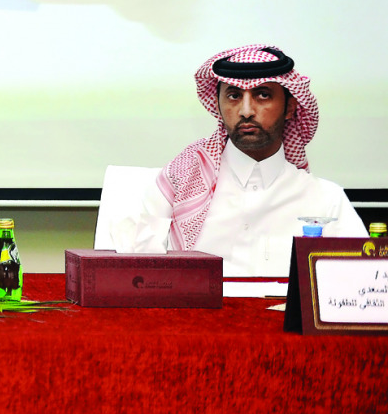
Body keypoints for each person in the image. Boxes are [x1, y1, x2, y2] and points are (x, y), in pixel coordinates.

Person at [113, 44, 366, 276]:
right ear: (219, 105)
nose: (246, 111)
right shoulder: (178, 184)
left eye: (263, 95)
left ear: (290, 108)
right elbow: (134, 275)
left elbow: (361, 288)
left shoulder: (326, 201)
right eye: (234, 96)